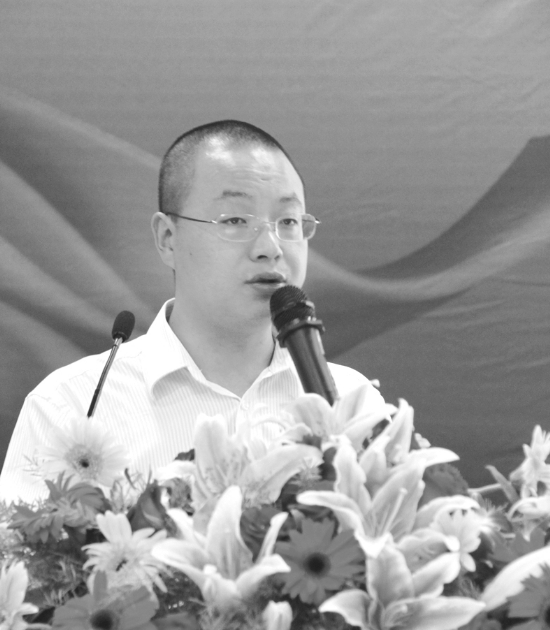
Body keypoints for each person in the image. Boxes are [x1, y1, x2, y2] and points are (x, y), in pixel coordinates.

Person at [0, 120, 384, 504]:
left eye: (288, 222)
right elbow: (24, 541)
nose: (271, 247)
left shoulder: (352, 402)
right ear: (168, 239)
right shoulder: (71, 407)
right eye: (235, 220)